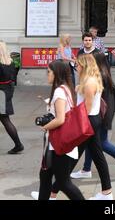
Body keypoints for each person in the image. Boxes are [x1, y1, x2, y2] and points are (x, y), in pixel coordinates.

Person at [71, 53, 115, 181]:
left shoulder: (98, 76)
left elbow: (95, 101)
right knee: (91, 144)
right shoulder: (101, 74)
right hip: (101, 114)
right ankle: (86, 169)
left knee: (101, 143)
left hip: (99, 115)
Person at [31, 60, 85, 200]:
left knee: (64, 183)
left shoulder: (59, 92)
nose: (47, 75)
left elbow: (60, 119)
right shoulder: (65, 88)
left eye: (48, 72)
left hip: (60, 144)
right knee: (45, 176)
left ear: (56, 74)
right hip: (57, 143)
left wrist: (45, 126)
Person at [0, 41, 24, 154]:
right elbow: (13, 78)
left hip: (1, 93)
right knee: (5, 120)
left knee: (5, 120)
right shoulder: (11, 62)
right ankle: (18, 144)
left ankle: (18, 144)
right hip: (7, 91)